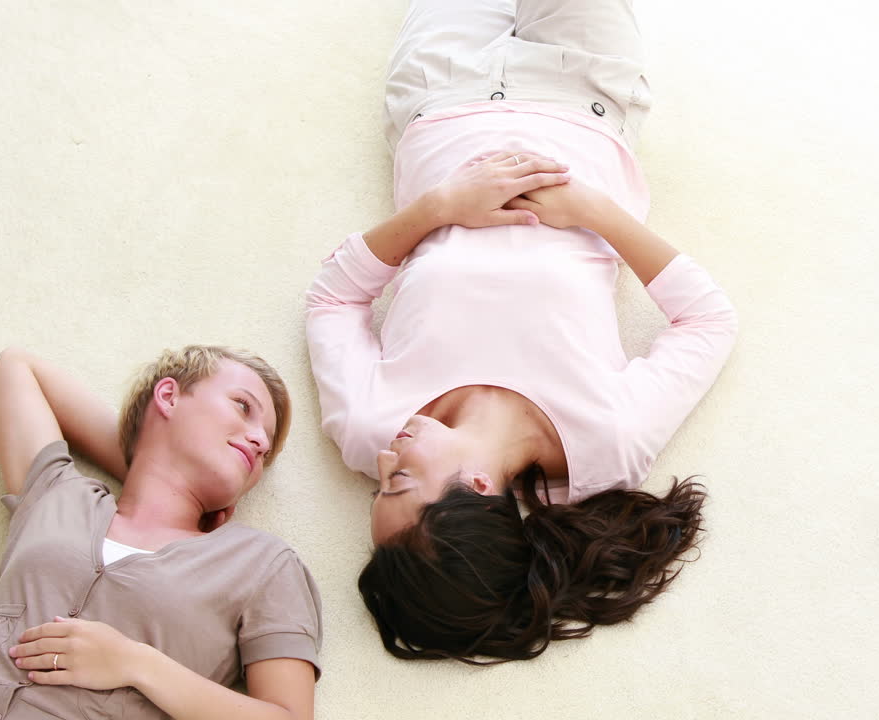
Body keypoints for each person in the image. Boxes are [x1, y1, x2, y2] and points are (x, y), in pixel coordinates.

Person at [306, 0, 736, 662]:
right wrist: (595, 212)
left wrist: (439, 207)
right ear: (479, 487)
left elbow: (332, 300)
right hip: (585, 99)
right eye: (400, 482)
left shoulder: (370, 427)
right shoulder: (605, 441)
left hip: (439, 94)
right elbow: (708, 321)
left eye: (378, 483)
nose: (384, 461)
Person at [0, 346, 322, 718]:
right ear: (168, 396)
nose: (260, 442)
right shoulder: (56, 495)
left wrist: (136, 663)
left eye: (266, 449)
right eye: (243, 406)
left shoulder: (262, 564)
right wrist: (150, 461)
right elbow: (18, 367)